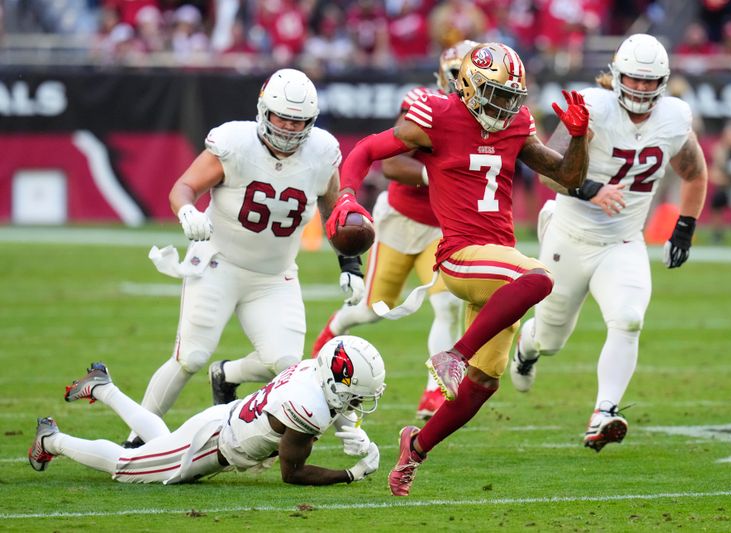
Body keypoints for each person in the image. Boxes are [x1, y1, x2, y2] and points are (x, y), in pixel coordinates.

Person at [325, 42, 589, 496]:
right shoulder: (436, 115)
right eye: (495, 94)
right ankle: (454, 355)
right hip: (462, 256)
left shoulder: (516, 123)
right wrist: (347, 195)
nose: (504, 106)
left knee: (483, 383)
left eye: (512, 96)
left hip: (499, 263)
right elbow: (368, 149)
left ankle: (416, 447)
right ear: (467, 86)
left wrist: (580, 138)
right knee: (540, 277)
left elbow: (569, 177)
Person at [125, 68, 365, 447]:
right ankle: (138, 437)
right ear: (263, 110)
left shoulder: (321, 153)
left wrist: (350, 264)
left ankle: (228, 375)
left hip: (274, 275)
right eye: (281, 116)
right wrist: (187, 211)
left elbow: (335, 210)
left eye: (298, 120)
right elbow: (184, 187)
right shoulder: (235, 143)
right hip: (218, 264)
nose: (288, 127)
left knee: (288, 364)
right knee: (190, 356)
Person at [510, 34, 709, 452]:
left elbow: (693, 172)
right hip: (570, 235)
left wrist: (685, 226)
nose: (640, 89)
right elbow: (549, 170)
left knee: (629, 318)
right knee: (550, 340)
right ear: (618, 77)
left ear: (663, 82)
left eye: (649, 81)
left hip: (623, 241)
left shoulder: (672, 118)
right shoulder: (593, 108)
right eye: (634, 79)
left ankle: (604, 411)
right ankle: (527, 348)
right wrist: (589, 189)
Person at [311, 40, 477, 421]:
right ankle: (324, 342)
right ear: (442, 75)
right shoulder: (425, 105)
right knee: (371, 310)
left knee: (448, 305)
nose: (466, 82)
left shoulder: (487, 118)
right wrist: (437, 175)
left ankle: (435, 390)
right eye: (458, 74)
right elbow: (392, 164)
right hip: (400, 221)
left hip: (443, 227)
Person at [28, 336, 384, 485]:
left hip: (220, 420)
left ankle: (102, 387)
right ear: (336, 381)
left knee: (160, 442)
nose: (356, 403)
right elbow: (293, 474)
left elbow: (335, 404)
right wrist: (350, 473)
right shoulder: (308, 410)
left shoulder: (311, 369)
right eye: (355, 395)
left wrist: (353, 429)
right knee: (127, 467)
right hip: (211, 445)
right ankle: (52, 439)